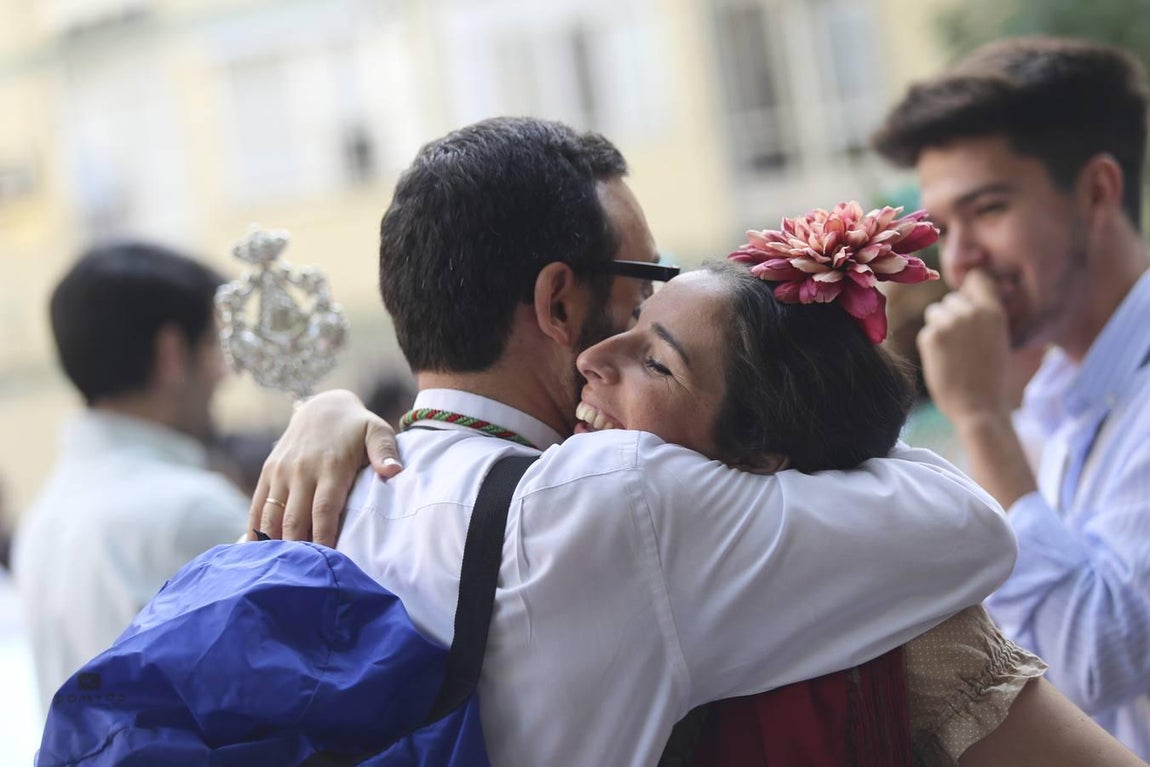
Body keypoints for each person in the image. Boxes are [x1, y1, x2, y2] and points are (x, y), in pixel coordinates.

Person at [249, 116, 1018, 767]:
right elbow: (969, 530)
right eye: (643, 285)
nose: (603, 354)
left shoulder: (302, 501)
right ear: (558, 302)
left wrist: (329, 406)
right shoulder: (617, 494)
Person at [873, 36, 1150, 757]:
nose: (959, 257)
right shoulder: (1064, 393)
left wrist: (981, 416)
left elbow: (1089, 659)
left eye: (986, 209)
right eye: (944, 225)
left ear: (1096, 191)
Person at [12, 242, 251, 718]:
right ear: (171, 353)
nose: (223, 372)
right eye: (212, 348)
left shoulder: (43, 518)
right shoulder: (191, 510)